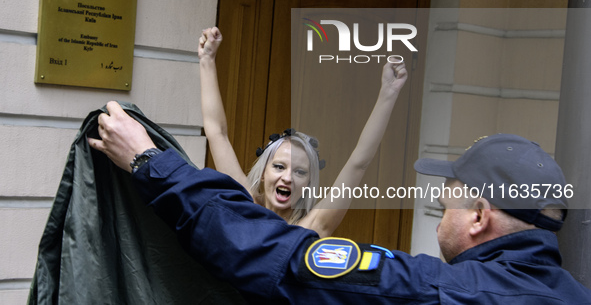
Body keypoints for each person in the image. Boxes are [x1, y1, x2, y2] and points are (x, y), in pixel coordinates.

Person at [90, 109, 591, 303]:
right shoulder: (571, 295)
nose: (440, 202)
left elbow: (273, 253)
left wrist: (150, 163)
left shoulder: (447, 293)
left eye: (449, 200)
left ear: (480, 216)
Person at [196, 27, 407, 236]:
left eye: (300, 172)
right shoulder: (244, 203)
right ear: (262, 174)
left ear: (308, 183)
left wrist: (388, 92)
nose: (287, 178)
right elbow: (217, 132)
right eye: (279, 167)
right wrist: (207, 59)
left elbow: (359, 163)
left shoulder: (312, 228)